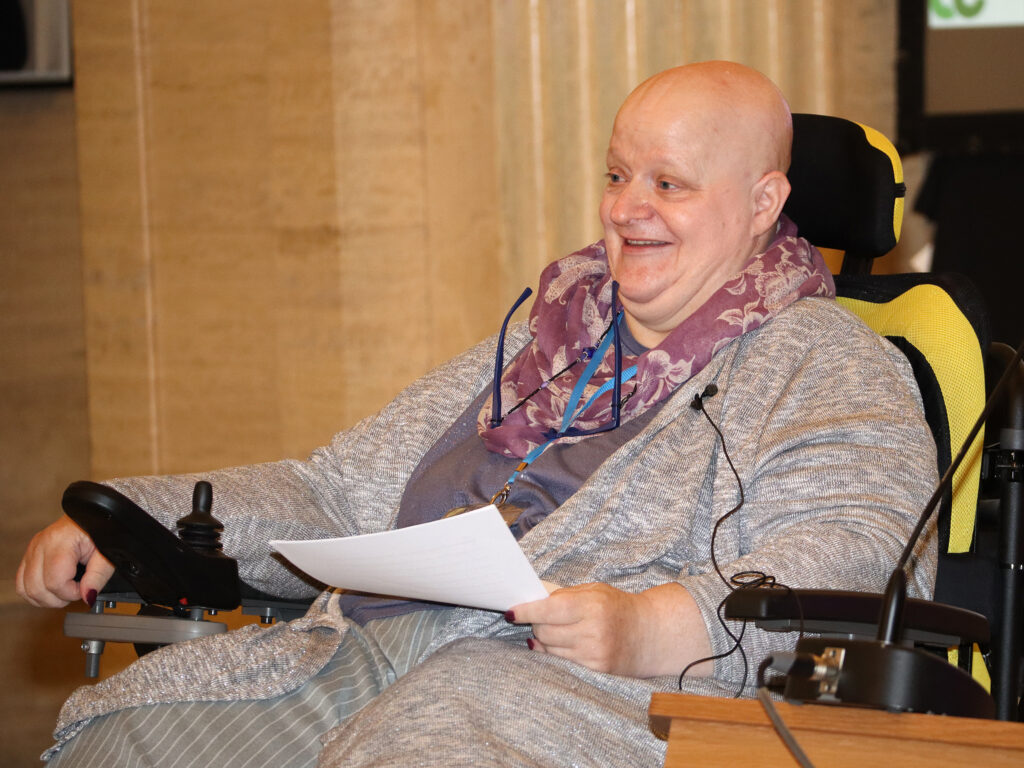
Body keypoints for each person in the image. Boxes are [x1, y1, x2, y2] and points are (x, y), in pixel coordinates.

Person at [16, 61, 937, 767]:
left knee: (429, 738)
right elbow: (337, 490)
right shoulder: (552, 333)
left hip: (577, 689)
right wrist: (136, 518)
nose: (626, 210)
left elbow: (855, 559)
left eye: (670, 184)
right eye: (619, 175)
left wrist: (654, 623)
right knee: (118, 732)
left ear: (764, 202)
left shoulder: (830, 361)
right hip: (365, 645)